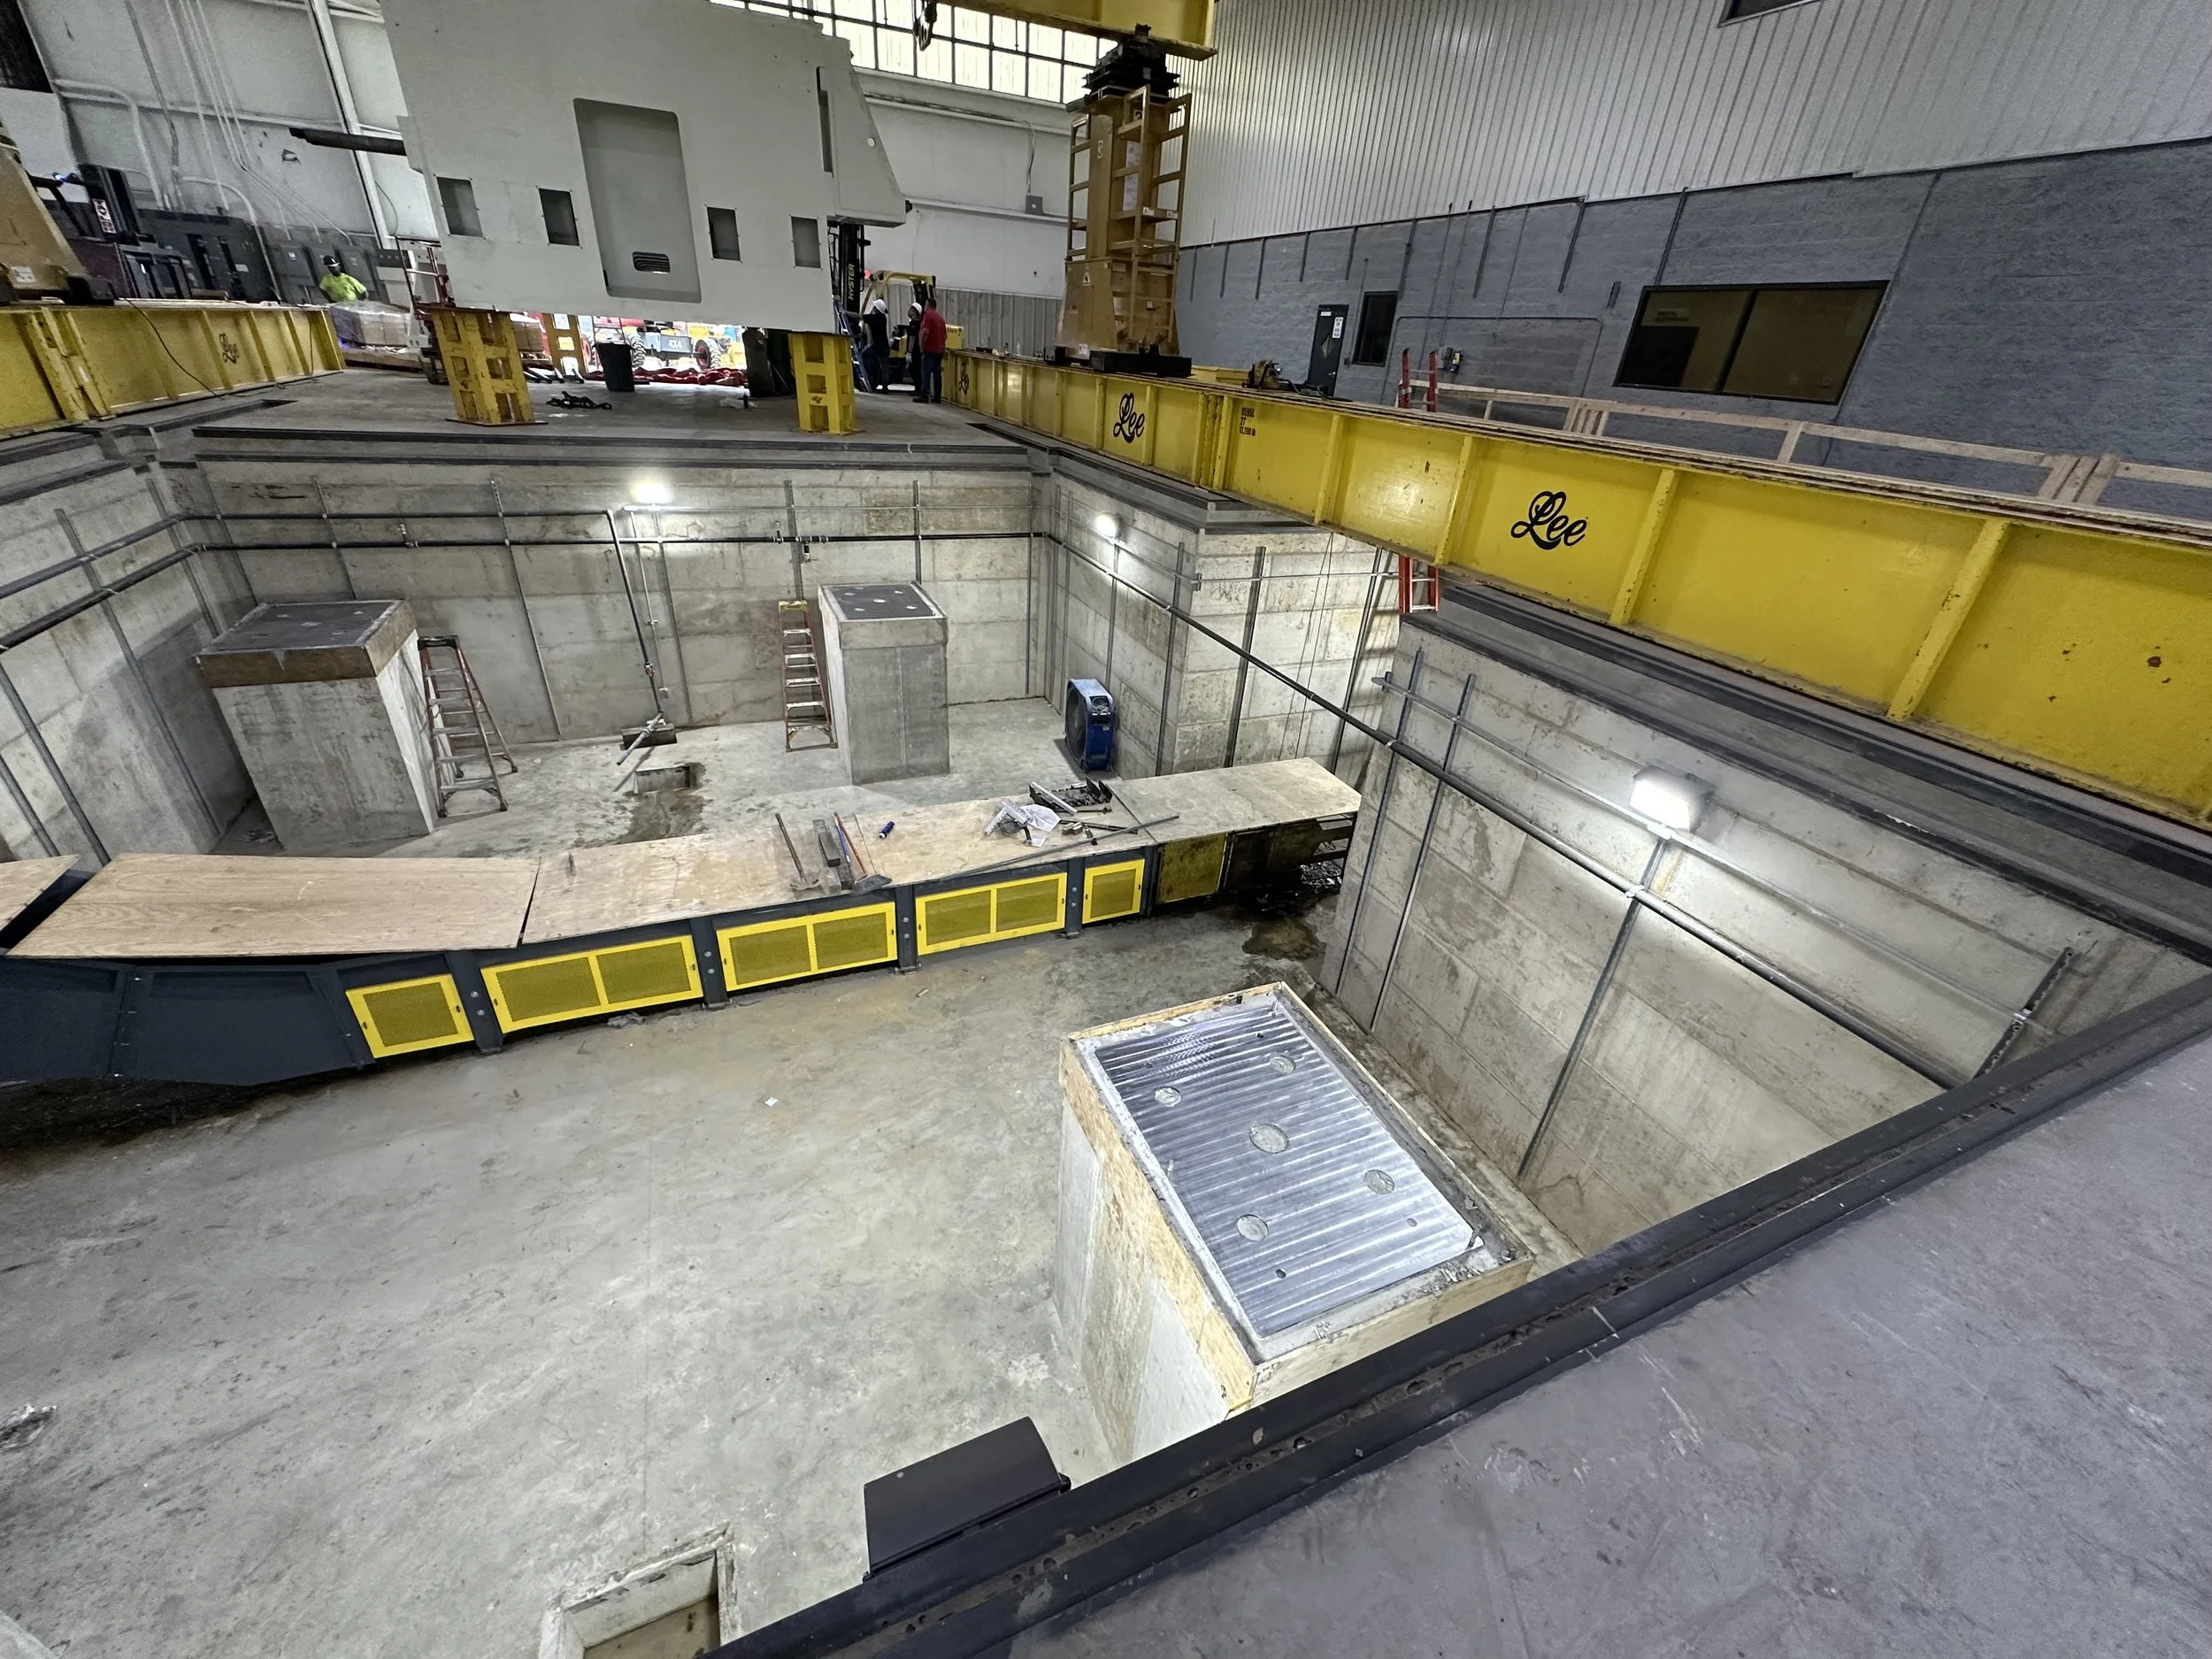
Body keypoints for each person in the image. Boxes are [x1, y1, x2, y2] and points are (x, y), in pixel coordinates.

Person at [914, 297, 948, 404]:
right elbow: (945, 335)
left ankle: (924, 395)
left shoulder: (928, 315)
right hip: (939, 350)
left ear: (928, 305)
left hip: (930, 349)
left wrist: (921, 345)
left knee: (926, 372)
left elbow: (925, 331)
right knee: (937, 373)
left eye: (925, 305)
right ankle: (937, 396)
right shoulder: (940, 318)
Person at [861, 296, 891, 393]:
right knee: (883, 367)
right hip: (881, 346)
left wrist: (846, 313)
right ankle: (882, 386)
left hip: (879, 347)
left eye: (874, 307)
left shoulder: (877, 317)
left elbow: (860, 317)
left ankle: (871, 380)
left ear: (876, 309)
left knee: (864, 355)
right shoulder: (882, 317)